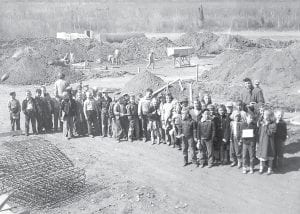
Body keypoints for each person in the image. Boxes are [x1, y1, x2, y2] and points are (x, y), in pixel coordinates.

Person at [257, 109, 277, 175]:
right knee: (262, 157)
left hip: (269, 144)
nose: (263, 116)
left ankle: (269, 169)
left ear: (269, 116)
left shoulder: (273, 124)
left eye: (264, 115)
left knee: (270, 157)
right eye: (263, 114)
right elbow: (259, 131)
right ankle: (261, 168)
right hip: (262, 143)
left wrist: (266, 125)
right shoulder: (262, 123)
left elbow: (269, 133)